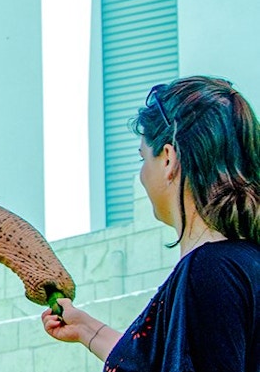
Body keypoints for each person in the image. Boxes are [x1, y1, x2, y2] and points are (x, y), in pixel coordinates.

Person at [42, 76, 259, 371]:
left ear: (168, 158)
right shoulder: (243, 263)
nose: (143, 175)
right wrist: (85, 328)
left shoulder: (209, 272)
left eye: (143, 157)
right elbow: (156, 359)